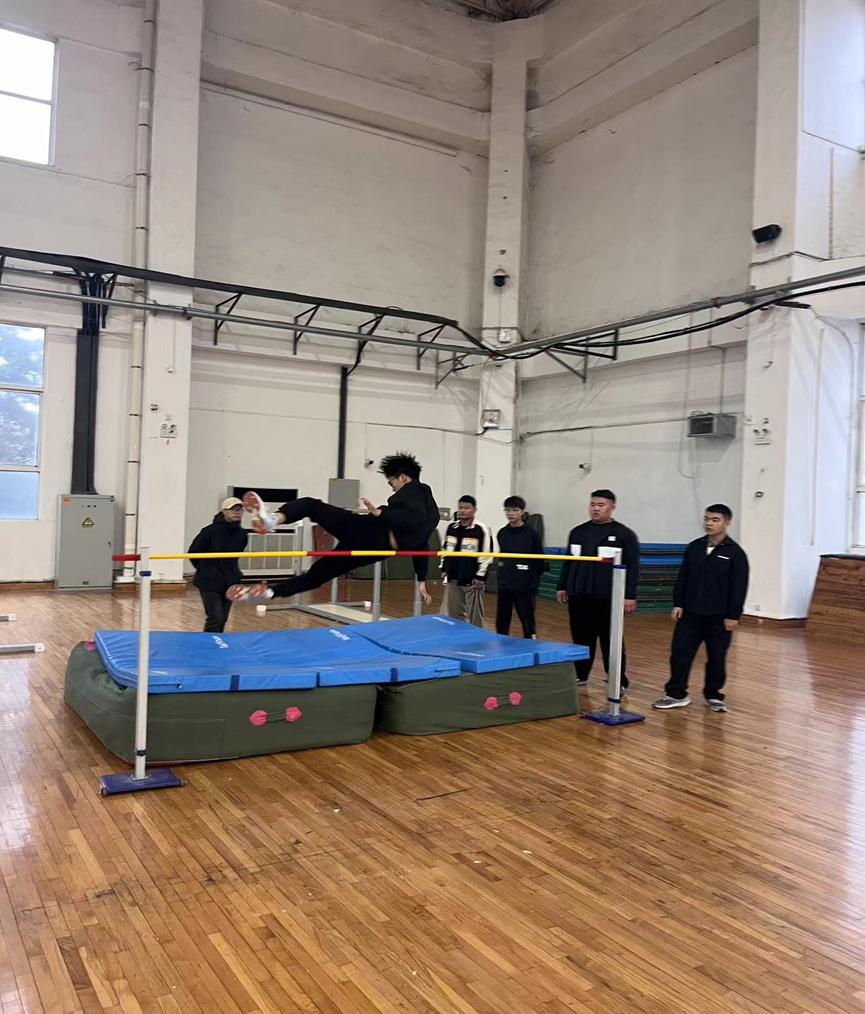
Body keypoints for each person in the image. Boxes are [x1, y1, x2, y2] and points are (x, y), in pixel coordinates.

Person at [228, 453, 437, 604]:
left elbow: (413, 519)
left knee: (311, 506)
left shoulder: (417, 489)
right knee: (317, 576)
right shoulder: (428, 515)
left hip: (366, 530)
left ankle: (272, 520)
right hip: (373, 548)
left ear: (403, 477)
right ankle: (271, 593)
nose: (392, 488)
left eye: (392, 483)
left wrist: (381, 513)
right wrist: (421, 578)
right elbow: (421, 545)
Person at [653, 504, 749, 713]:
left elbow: (739, 587)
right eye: (707, 519)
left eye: (715, 520)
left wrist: (733, 615)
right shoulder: (694, 547)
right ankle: (676, 694)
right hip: (691, 613)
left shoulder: (735, 553)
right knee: (680, 653)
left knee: (716, 657)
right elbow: (683, 577)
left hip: (719, 617)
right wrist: (678, 603)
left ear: (727, 523)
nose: (709, 523)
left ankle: (714, 695)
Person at [556, 489, 639, 688]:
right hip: (579, 595)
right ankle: (581, 674)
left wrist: (629, 595)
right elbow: (568, 561)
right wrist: (562, 586)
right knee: (581, 638)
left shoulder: (624, 535)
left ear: (612, 507)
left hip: (608, 597)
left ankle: (618, 680)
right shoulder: (578, 532)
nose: (595, 509)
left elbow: (633, 567)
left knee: (611, 640)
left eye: (601, 505)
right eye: (593, 504)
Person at [188, 497, 249, 633]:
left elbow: (235, 557)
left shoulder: (242, 534)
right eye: (234, 509)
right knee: (215, 617)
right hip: (209, 581)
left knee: (223, 618)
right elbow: (194, 552)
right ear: (224, 511)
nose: (238, 512)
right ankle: (208, 642)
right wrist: (205, 569)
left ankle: (218, 641)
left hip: (230, 581)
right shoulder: (209, 531)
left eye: (240, 510)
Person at [495, 495, 545, 638]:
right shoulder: (502, 533)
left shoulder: (532, 534)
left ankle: (531, 642)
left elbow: (539, 561)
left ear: (522, 511)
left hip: (525, 585)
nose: (511, 513)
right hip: (505, 584)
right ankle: (502, 643)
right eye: (508, 510)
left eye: (515, 510)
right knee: (502, 621)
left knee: (527, 620)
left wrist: (533, 580)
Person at [441, 495, 494, 627]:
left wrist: (480, 576)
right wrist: (444, 568)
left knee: (475, 617)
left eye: (466, 508)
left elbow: (487, 554)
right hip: (453, 578)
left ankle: (476, 639)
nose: (463, 510)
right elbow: (445, 549)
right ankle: (457, 637)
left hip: (472, 580)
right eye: (460, 507)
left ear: (474, 510)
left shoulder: (481, 529)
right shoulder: (451, 528)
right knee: (454, 615)